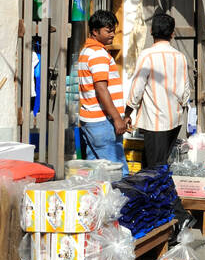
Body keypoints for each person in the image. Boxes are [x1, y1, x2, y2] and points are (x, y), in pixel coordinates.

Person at [126, 12, 193, 171]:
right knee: (161, 163)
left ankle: (157, 195)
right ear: (172, 34)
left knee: (154, 168)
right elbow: (185, 92)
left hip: (155, 123)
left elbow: (137, 89)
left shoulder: (147, 55)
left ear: (151, 31)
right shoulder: (180, 57)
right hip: (174, 121)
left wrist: (127, 113)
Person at [77, 10, 129, 178]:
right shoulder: (98, 54)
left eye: (113, 30)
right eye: (108, 30)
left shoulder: (86, 51)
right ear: (95, 31)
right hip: (101, 121)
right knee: (118, 174)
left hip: (91, 120)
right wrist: (116, 118)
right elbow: (101, 89)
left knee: (96, 174)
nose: (112, 34)